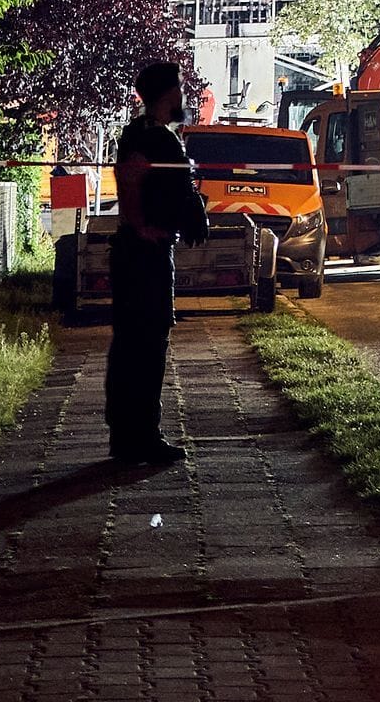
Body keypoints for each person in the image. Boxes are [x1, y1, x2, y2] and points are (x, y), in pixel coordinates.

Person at [106, 61, 209, 464]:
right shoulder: (149, 137)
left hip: (142, 250)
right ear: (168, 94)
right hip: (143, 254)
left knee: (136, 344)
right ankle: (141, 436)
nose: (182, 95)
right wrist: (142, 226)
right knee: (145, 345)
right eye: (179, 88)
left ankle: (128, 437)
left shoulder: (150, 134)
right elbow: (130, 181)